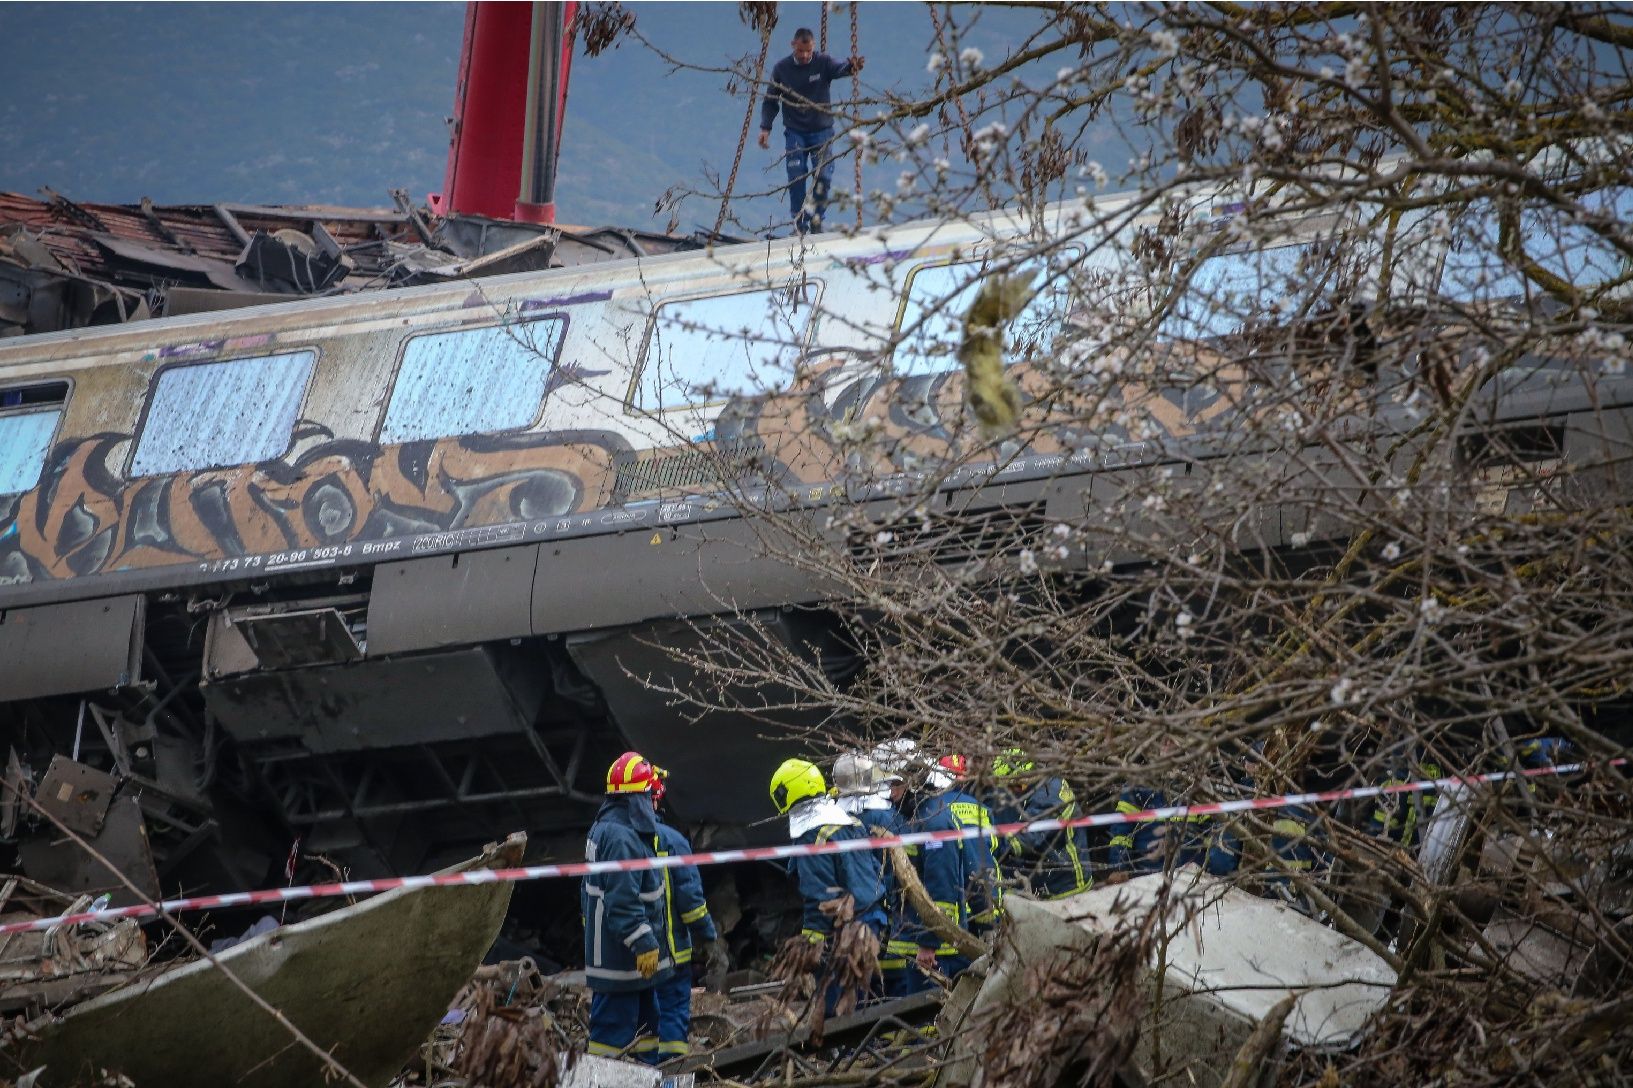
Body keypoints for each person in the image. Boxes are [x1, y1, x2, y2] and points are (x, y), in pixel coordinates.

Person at [769, 757, 887, 1009]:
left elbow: (820, 897)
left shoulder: (813, 838)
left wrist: (810, 945)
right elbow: (875, 869)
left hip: (844, 933)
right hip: (873, 922)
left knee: (837, 1008)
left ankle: (846, 1048)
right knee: (865, 1001)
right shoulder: (850, 822)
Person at [583, 752, 672, 1063]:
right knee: (612, 1038)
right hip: (620, 961)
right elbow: (621, 903)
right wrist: (644, 943)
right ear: (637, 798)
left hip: (629, 963)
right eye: (651, 796)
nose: (655, 805)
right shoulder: (621, 838)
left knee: (646, 1031)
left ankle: (646, 1078)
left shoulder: (613, 828)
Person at [757, 27, 865, 233]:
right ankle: (799, 222)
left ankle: (816, 218)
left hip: (821, 130)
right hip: (795, 130)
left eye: (808, 51)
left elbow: (839, 68)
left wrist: (851, 67)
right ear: (793, 46)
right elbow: (771, 101)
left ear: (813, 47)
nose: (805, 56)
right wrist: (765, 127)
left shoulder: (822, 62)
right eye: (800, 51)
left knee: (824, 175)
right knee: (796, 174)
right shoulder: (782, 69)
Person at [649, 765, 718, 1062]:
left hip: (631, 955)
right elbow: (690, 900)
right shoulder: (672, 840)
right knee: (673, 1015)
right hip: (672, 951)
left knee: (642, 1022)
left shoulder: (611, 842)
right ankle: (671, 1079)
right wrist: (707, 935)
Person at [985, 750, 1093, 900]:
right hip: (1051, 877)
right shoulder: (1044, 784)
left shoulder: (1048, 796)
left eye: (1011, 785)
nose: (1009, 791)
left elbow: (1027, 837)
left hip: (1066, 884)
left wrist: (991, 844)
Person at [917, 754, 1003, 938]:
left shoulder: (931, 809)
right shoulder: (980, 807)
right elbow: (994, 845)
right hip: (984, 896)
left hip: (954, 903)